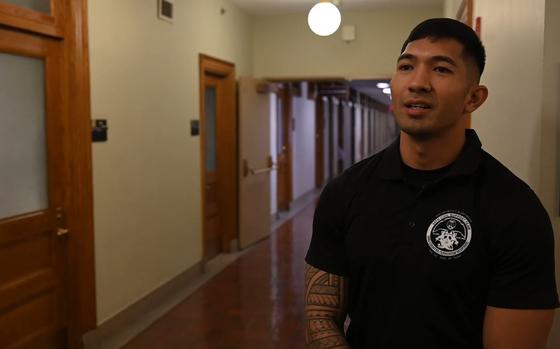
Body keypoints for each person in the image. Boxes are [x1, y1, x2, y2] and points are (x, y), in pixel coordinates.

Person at [304, 18, 559, 349]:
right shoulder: (346, 190)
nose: (418, 82)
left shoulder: (514, 208)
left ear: (473, 98)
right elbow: (321, 315)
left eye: (441, 69)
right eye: (407, 66)